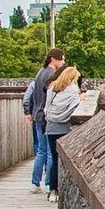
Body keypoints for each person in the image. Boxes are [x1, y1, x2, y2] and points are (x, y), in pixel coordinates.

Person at [38, 62, 88, 193]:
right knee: (65, 161)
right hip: (65, 129)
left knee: (54, 159)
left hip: (51, 127)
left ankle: (52, 189)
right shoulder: (73, 90)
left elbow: (46, 109)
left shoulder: (52, 88)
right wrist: (80, 98)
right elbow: (74, 107)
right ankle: (63, 190)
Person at [22, 50, 67, 191]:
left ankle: (35, 183)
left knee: (41, 151)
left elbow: (30, 94)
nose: (63, 62)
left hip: (36, 115)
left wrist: (28, 111)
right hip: (45, 116)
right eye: (61, 59)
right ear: (53, 59)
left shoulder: (40, 72)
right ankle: (49, 184)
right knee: (49, 152)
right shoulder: (51, 75)